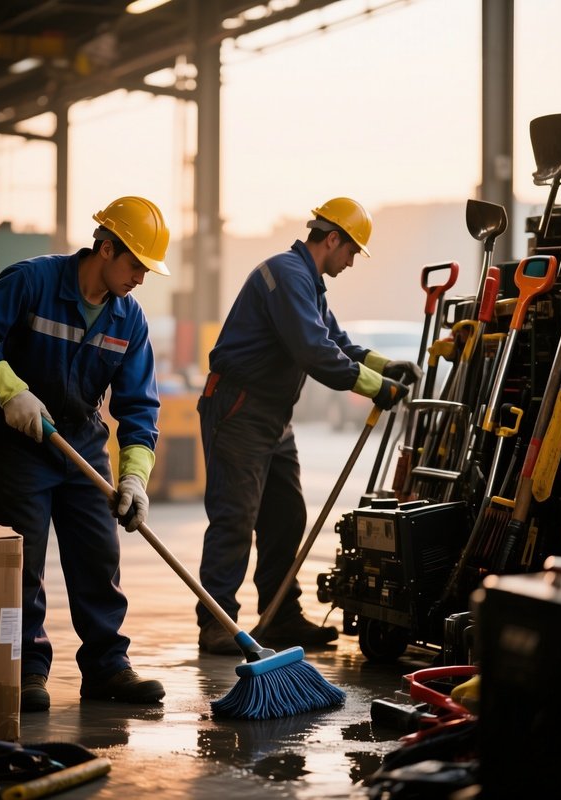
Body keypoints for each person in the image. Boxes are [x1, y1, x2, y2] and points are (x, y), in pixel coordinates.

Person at [0, 196, 171, 711]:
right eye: (135, 264)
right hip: (24, 437)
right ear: (106, 248)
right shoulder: (34, 281)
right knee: (23, 561)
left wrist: (135, 478)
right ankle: (27, 670)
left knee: (98, 555)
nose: (140, 277)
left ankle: (108, 667)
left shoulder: (129, 320)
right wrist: (8, 389)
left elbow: (139, 407)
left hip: (83, 440)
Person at [196, 197, 422, 655]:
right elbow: (316, 353)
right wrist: (377, 388)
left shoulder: (307, 283)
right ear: (332, 238)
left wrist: (384, 366)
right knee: (235, 517)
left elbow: (334, 340)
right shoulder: (286, 275)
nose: (353, 261)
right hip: (240, 407)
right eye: (352, 250)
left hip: (272, 414)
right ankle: (217, 622)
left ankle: (280, 617)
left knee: (287, 515)